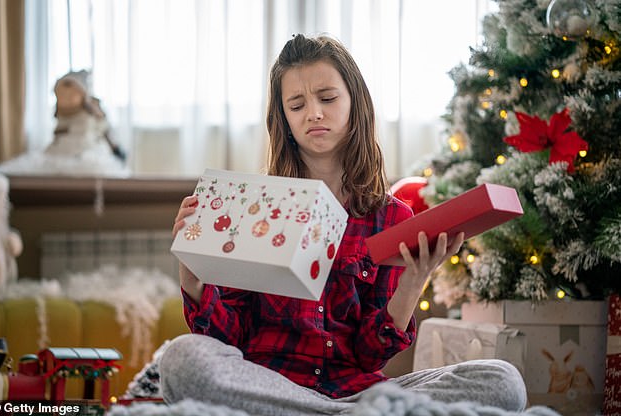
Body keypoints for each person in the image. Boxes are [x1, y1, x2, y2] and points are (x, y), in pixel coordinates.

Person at [160, 34, 527, 415]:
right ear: (284, 119)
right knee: (182, 360)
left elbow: (370, 357)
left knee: (502, 381)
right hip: (274, 385)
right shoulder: (256, 205)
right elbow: (228, 340)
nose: (314, 114)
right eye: (297, 105)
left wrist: (413, 282)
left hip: (359, 393)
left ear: (355, 103)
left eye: (328, 98)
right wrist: (193, 279)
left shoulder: (392, 218)